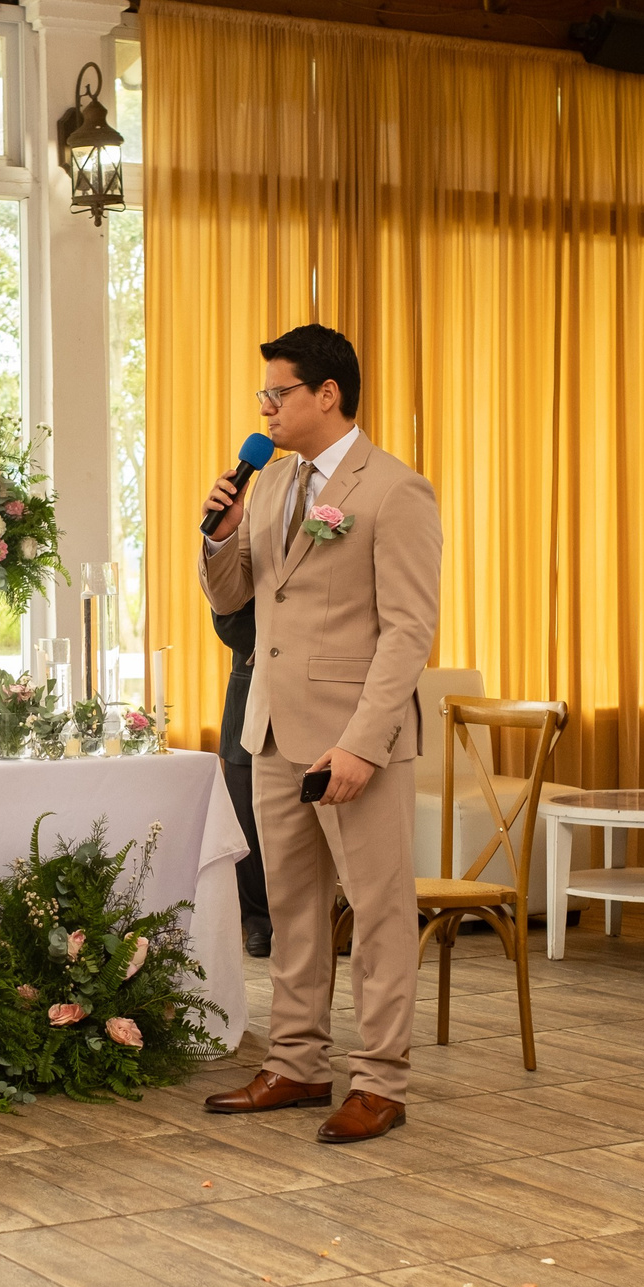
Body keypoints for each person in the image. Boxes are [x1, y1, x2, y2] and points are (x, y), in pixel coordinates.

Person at [196, 324, 441, 1144]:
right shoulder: (268, 485)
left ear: (326, 394)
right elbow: (238, 600)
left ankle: (381, 1081)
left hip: (353, 741)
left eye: (278, 392)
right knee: (293, 908)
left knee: (377, 913)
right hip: (272, 728)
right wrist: (219, 534)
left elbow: (408, 631)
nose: (264, 407)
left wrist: (363, 744)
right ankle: (297, 1062)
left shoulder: (394, 490)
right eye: (263, 395)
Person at [213, 601, 271, 957]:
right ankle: (257, 919)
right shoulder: (242, 544)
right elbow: (228, 619)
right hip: (248, 695)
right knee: (245, 822)